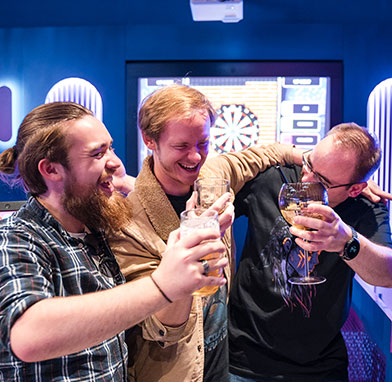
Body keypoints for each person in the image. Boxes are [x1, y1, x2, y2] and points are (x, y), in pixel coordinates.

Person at [0, 102, 229, 381]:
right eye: (98, 153)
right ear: (51, 170)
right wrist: (162, 286)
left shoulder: (95, 229)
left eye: (111, 148)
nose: (115, 163)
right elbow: (28, 335)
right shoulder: (16, 236)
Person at [109, 84, 301, 382]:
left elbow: (265, 154)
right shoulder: (128, 221)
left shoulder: (212, 176)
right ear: (150, 140)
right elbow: (161, 327)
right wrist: (198, 239)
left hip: (222, 364)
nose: (196, 157)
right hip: (175, 372)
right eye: (181, 146)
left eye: (203, 142)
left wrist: (322, 167)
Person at [228, 122, 392, 382]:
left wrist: (347, 241)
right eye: (309, 165)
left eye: (323, 181)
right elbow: (214, 179)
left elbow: (387, 273)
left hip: (319, 366)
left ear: (354, 189)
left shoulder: (364, 206)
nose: (306, 180)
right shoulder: (275, 178)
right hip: (243, 359)